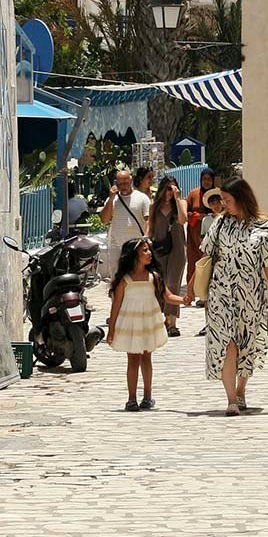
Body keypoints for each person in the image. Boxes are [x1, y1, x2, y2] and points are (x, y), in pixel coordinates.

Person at [187, 178, 268, 416]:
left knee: (247, 344)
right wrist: (190, 287)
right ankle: (231, 400)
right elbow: (206, 257)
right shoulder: (220, 224)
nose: (224, 205)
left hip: (251, 294)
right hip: (221, 293)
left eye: (228, 200)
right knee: (227, 342)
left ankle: (241, 389)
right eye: (222, 201)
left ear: (242, 198)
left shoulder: (264, 226)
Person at [106, 238, 190, 411]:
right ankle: (131, 398)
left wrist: (184, 300)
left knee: (146, 358)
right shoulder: (124, 280)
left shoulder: (154, 277)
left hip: (147, 322)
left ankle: (147, 395)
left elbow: (167, 296)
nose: (149, 253)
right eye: (144, 251)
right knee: (132, 360)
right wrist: (111, 329)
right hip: (131, 323)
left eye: (149, 250)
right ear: (133, 255)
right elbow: (116, 305)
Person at [149, 174, 188, 336]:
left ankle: (172, 323)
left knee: (173, 284)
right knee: (158, 285)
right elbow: (150, 227)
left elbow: (183, 219)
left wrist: (177, 199)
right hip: (158, 249)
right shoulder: (154, 206)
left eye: (173, 188)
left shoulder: (181, 203)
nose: (170, 191)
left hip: (177, 249)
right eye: (167, 188)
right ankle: (161, 319)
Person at [98, 169, 151, 282]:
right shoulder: (112, 200)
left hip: (136, 246)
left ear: (131, 181)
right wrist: (111, 199)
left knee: (135, 276)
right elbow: (104, 219)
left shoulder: (142, 198)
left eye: (126, 182)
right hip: (116, 246)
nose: (124, 186)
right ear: (116, 183)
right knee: (117, 278)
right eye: (120, 183)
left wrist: (145, 237)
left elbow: (148, 220)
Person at [193, 188, 225, 336]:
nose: (216, 205)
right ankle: (208, 323)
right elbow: (203, 238)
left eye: (217, 202)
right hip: (210, 258)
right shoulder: (207, 220)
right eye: (212, 203)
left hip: (224, 259)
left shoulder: (227, 218)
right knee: (207, 292)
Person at [185, 168, 217, 300]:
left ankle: (206, 295)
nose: (207, 182)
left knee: (209, 265)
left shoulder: (217, 194)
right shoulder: (193, 194)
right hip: (195, 235)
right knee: (193, 263)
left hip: (213, 237)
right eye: (204, 179)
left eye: (209, 179)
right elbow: (185, 212)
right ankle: (191, 293)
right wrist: (198, 216)